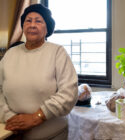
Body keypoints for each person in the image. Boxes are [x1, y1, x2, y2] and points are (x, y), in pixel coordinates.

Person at [0, 4, 78, 140]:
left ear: (47, 28)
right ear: (23, 26)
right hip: (13, 133)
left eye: (38, 21)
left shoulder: (57, 52)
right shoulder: (10, 54)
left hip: (52, 135)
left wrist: (37, 117)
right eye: (28, 21)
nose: (32, 25)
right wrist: (10, 118)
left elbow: (69, 93)